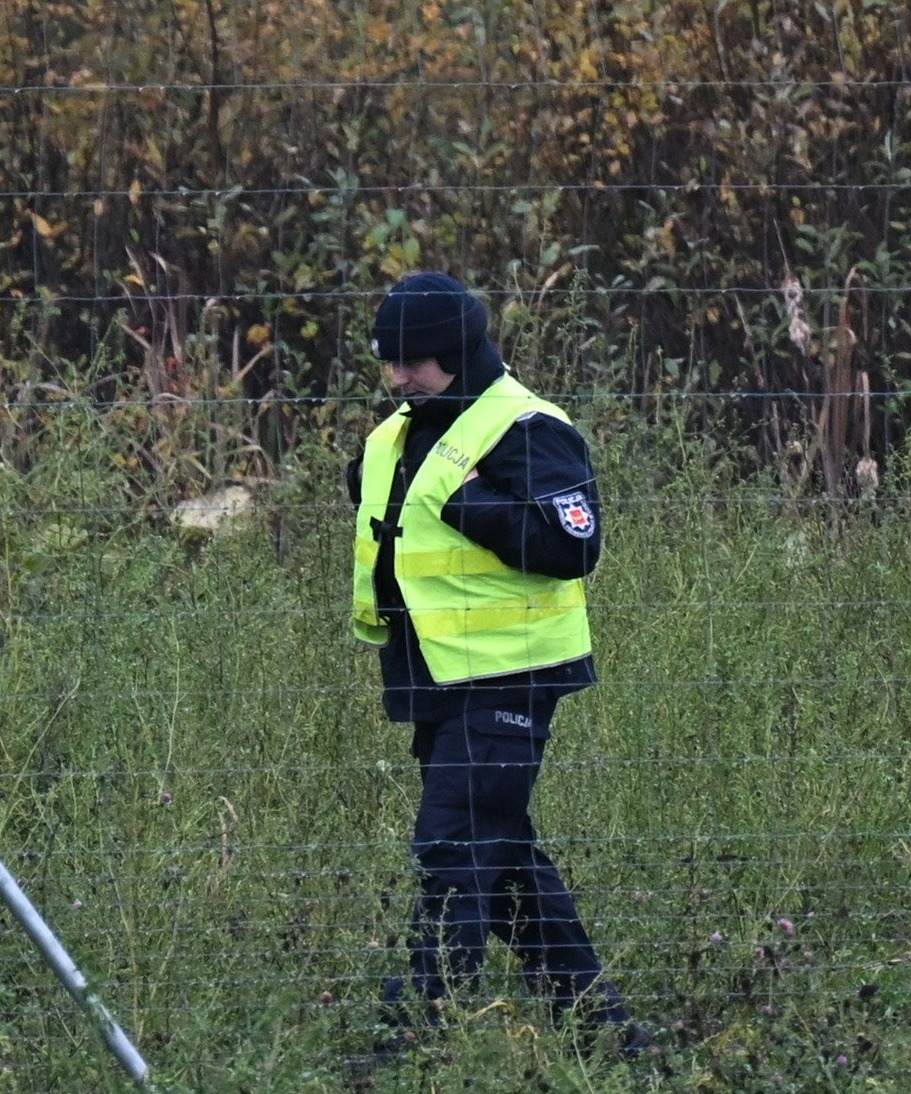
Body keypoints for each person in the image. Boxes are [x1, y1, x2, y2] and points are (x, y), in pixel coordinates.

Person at [345, 271, 645, 1061]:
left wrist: (471, 503)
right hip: (434, 681)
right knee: (502, 861)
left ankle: (401, 1049)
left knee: (451, 852)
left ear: (461, 353)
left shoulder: (527, 428)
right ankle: (612, 1040)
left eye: (415, 363)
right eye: (389, 363)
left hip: (509, 679)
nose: (399, 378)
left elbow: (573, 546)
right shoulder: (400, 434)